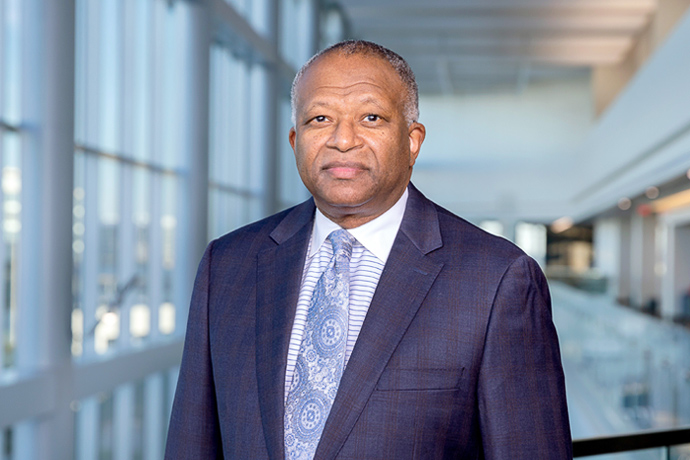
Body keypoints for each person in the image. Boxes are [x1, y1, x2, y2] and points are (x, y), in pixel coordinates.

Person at [165, 40, 572, 459]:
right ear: (294, 139)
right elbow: (190, 444)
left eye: (371, 117)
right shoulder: (228, 265)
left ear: (412, 140)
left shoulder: (496, 280)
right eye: (319, 118)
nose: (343, 139)